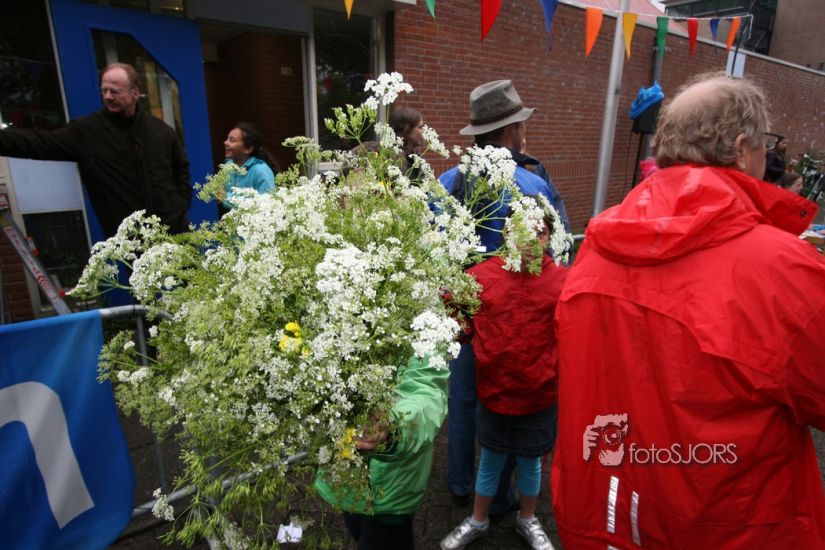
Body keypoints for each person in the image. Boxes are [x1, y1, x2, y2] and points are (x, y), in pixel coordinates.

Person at [551, 73, 825, 549]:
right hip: (731, 528)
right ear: (742, 148)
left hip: (609, 514)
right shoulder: (781, 269)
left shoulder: (598, 244)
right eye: (764, 143)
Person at [439, 79, 566, 516]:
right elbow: (554, 250)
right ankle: (500, 498)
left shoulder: (447, 182)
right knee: (512, 402)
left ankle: (460, 483)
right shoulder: (532, 184)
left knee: (463, 399)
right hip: (516, 318)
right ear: (512, 131)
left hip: (462, 309)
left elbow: (432, 250)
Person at [441, 200, 565, 550]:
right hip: (494, 391)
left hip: (539, 393)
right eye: (522, 231)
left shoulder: (562, 282)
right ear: (507, 233)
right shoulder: (483, 276)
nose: (530, 240)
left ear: (549, 236)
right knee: (490, 460)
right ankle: (478, 519)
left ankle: (528, 518)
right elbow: (454, 314)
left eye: (539, 232)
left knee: (531, 463)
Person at [0, 62, 191, 237]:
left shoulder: (160, 131)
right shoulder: (86, 133)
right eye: (104, 90)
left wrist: (179, 206)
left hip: (174, 232)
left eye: (115, 91)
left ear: (135, 92)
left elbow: (181, 171)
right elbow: (39, 142)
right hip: (132, 241)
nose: (107, 97)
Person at [314, 355, 448, 550]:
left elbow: (427, 391)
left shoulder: (425, 342)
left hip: (390, 486)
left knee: (385, 538)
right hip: (345, 476)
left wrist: (395, 427)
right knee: (356, 525)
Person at [218, 122, 276, 214]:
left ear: (248, 148)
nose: (225, 143)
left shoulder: (260, 170)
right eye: (227, 139)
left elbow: (267, 205)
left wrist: (225, 197)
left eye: (232, 140)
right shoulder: (228, 167)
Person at [389, 107, 425, 177]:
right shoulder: (391, 161)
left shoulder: (417, 159)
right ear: (406, 128)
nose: (424, 131)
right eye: (420, 127)